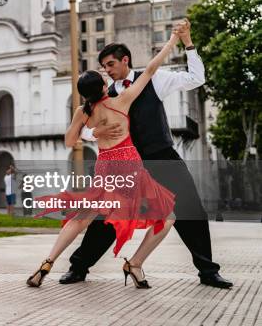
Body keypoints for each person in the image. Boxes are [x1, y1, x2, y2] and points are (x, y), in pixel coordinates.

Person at [56, 19, 232, 289]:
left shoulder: (156, 78)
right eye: (103, 67)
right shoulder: (104, 95)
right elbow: (86, 129)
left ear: (124, 60)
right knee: (107, 218)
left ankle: (208, 272)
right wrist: (97, 135)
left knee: (190, 212)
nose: (107, 71)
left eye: (110, 65)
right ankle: (78, 268)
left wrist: (187, 41)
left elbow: (197, 78)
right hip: (126, 165)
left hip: (162, 157)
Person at [26, 25, 185, 288]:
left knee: (81, 219)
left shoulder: (82, 111)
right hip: (130, 170)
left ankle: (47, 263)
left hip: (105, 169)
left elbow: (68, 141)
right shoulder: (120, 101)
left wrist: (93, 131)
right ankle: (135, 263)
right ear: (103, 86)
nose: (106, 74)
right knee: (167, 218)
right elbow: (150, 70)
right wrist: (171, 42)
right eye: (103, 75)